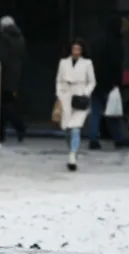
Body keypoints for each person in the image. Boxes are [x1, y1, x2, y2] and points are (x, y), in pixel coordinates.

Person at [89, 15, 129, 149]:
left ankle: (93, 139)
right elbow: (116, 66)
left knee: (95, 112)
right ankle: (118, 138)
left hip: (94, 82)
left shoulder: (98, 42)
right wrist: (117, 84)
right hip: (109, 84)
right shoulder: (116, 44)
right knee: (113, 112)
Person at [55, 38, 96, 171]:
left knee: (76, 127)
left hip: (80, 97)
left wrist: (85, 93)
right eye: (74, 49)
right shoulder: (63, 62)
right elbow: (58, 80)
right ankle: (71, 150)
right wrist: (59, 94)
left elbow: (92, 81)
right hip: (66, 95)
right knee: (67, 128)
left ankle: (72, 155)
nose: (76, 52)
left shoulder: (87, 63)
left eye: (78, 49)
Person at [0, 15, 27, 143]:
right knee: (5, 105)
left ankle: (19, 126)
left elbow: (1, 57)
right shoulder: (20, 38)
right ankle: (1, 134)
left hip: (4, 76)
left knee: (4, 106)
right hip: (15, 76)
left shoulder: (4, 38)